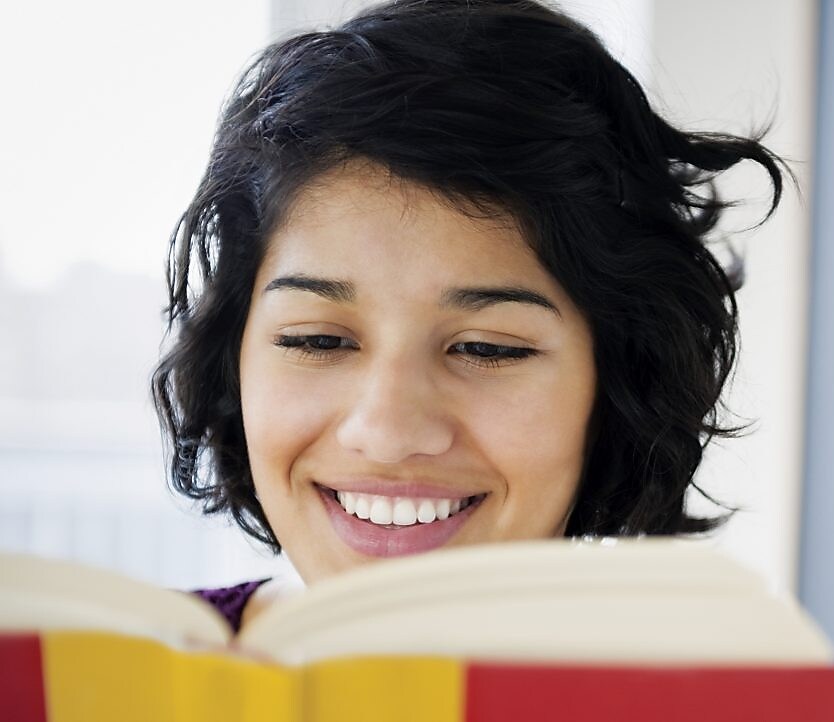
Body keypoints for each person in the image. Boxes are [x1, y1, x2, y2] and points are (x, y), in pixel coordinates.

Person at [153, 0, 786, 631]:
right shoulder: (125, 666)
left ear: (618, 384)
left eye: (486, 349)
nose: (387, 432)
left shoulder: (725, 679)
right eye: (318, 340)